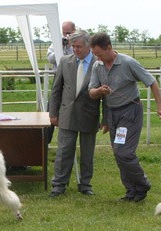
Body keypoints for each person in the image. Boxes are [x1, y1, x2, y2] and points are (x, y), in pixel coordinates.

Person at [88, 32, 161, 202]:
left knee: (123, 151)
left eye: (100, 54)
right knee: (118, 153)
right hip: (112, 113)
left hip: (130, 112)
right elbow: (92, 93)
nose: (98, 58)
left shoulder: (128, 63)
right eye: (96, 55)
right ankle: (132, 191)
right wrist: (100, 91)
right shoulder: (97, 66)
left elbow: (152, 82)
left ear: (109, 47)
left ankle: (143, 183)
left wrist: (160, 107)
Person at [48, 29, 108, 198]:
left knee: (87, 153)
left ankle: (85, 184)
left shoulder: (100, 64)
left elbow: (105, 95)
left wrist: (106, 119)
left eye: (79, 46)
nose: (75, 50)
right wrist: (53, 113)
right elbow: (56, 90)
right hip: (67, 114)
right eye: (73, 46)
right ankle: (59, 184)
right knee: (64, 151)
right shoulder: (65, 62)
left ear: (88, 45)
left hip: (89, 114)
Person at [45, 21, 77, 144]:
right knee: (51, 110)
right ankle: (46, 142)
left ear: (74, 31)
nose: (66, 36)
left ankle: (68, 143)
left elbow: (76, 59)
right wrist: (61, 47)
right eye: (64, 33)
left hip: (72, 81)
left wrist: (69, 46)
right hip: (58, 79)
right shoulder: (56, 43)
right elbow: (50, 59)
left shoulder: (78, 45)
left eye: (68, 33)